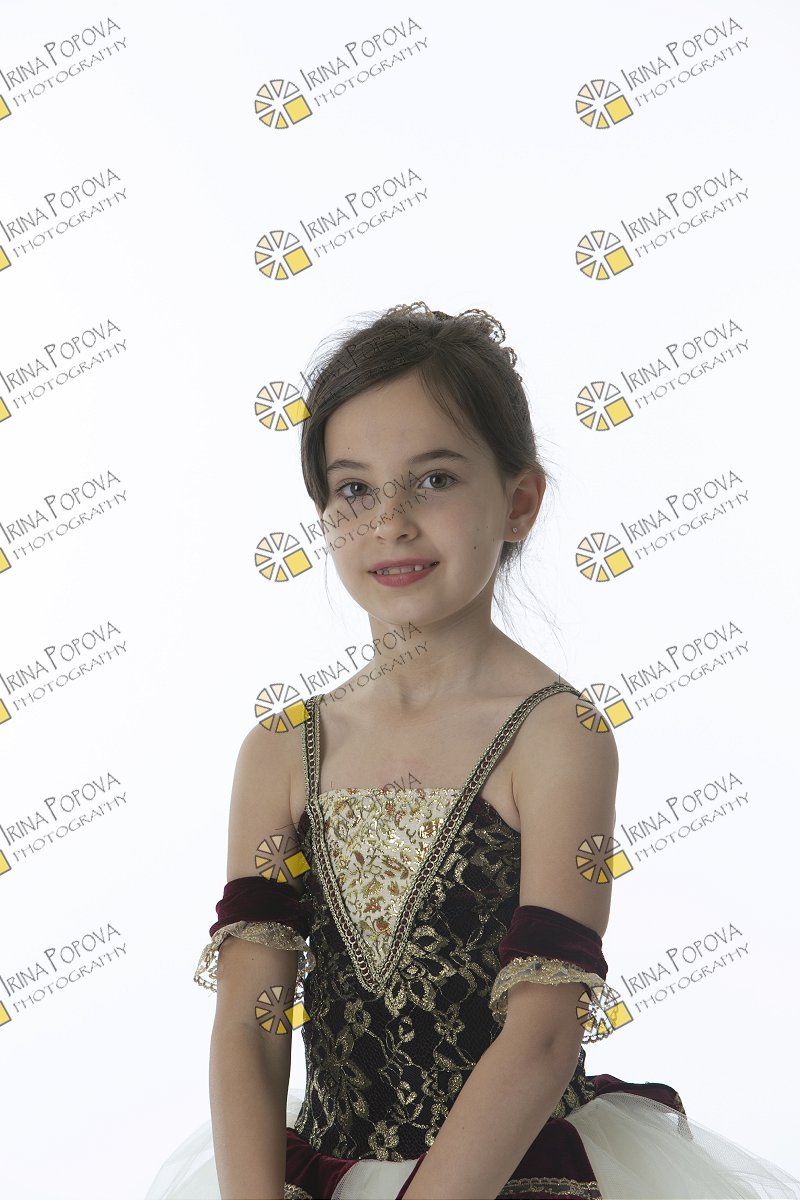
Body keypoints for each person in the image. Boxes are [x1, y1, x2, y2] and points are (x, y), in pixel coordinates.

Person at [144, 302, 800, 1200]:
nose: (391, 522)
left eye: (435, 479)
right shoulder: (280, 751)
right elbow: (253, 1018)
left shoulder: (554, 737)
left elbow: (543, 1032)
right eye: (354, 490)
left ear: (520, 502)